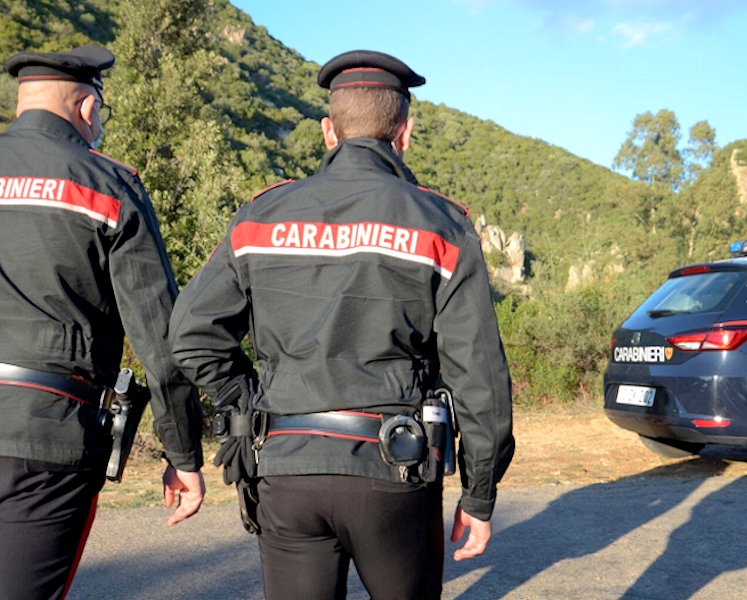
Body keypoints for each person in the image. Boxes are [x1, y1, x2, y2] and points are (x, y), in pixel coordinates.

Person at [169, 49, 515, 600]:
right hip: (393, 469)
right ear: (404, 131)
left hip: (285, 465)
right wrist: (479, 493)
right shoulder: (441, 226)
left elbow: (189, 334)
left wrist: (251, 397)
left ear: (328, 131)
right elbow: (480, 376)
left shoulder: (260, 217)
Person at [0, 44, 206, 600]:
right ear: (88, 109)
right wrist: (182, 453)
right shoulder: (108, 186)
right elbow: (161, 340)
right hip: (48, 439)